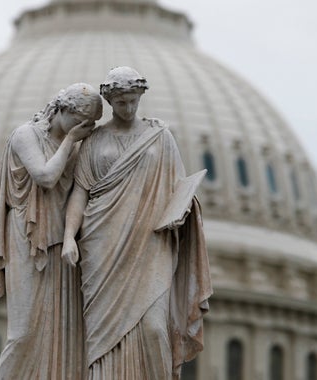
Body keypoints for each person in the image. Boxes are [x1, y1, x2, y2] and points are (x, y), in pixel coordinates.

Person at [62, 67, 212, 380]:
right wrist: (67, 238)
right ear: (110, 101)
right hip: (102, 248)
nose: (128, 108)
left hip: (151, 244)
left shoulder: (160, 138)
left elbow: (179, 190)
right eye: (121, 103)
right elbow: (80, 193)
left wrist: (181, 212)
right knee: (101, 336)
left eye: (133, 101)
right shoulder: (94, 141)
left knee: (155, 327)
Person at [0, 83, 103, 379]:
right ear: (63, 109)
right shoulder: (26, 135)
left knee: (62, 330)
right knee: (23, 332)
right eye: (81, 122)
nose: (84, 128)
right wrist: (72, 140)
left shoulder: (76, 147)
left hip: (60, 241)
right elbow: (46, 176)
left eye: (89, 125)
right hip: (27, 235)